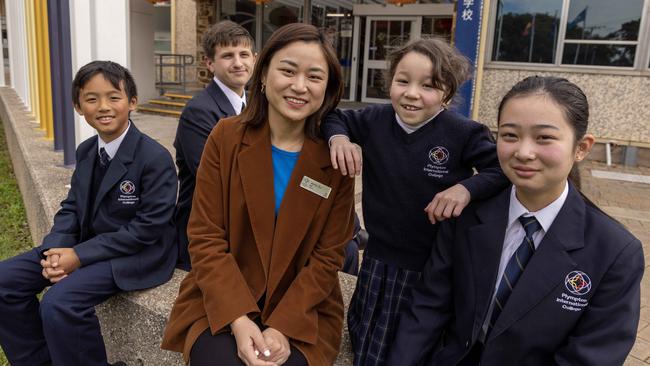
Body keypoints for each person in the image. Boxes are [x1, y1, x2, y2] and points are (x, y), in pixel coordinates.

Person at [387, 76, 644, 365]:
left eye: (544, 137)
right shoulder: (465, 215)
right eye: (510, 135)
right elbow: (428, 307)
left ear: (581, 147)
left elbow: (591, 357)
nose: (523, 152)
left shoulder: (615, 253)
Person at [161, 23, 355, 366]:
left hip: (300, 308)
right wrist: (237, 318)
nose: (299, 86)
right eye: (288, 70)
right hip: (223, 296)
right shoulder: (226, 137)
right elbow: (205, 236)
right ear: (263, 74)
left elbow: (327, 259)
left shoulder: (334, 161)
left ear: (328, 88)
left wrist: (281, 326)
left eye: (314, 76)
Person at [321, 38, 509, 366]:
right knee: (367, 332)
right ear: (390, 81)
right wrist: (339, 138)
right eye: (402, 81)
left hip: (431, 265)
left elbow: (501, 170)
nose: (412, 93)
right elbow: (332, 118)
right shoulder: (374, 120)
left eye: (429, 85)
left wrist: (466, 188)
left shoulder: (464, 132)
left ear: (448, 94)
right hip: (378, 258)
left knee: (414, 341)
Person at [0, 61, 178, 366]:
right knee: (5, 280)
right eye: (92, 99)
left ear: (132, 102)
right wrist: (55, 248)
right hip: (86, 244)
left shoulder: (155, 158)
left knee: (59, 304)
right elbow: (72, 206)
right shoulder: (86, 151)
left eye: (114, 97)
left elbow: (146, 229)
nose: (103, 107)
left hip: (136, 254)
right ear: (78, 106)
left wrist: (78, 256)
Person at [174, 20, 255, 270]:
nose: (238, 63)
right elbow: (217, 179)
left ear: (255, 58)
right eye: (227, 56)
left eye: (244, 54)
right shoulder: (199, 112)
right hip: (208, 231)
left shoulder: (255, 104)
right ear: (209, 64)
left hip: (242, 221)